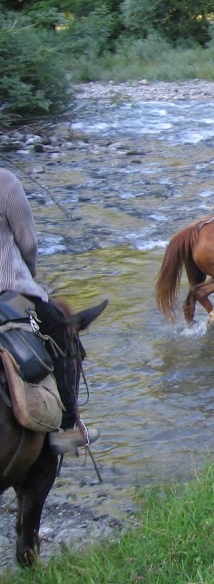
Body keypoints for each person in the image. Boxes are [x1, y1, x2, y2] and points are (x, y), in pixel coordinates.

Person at [0, 167, 97, 455]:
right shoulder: (5, 181)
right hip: (7, 288)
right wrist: (28, 279)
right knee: (60, 331)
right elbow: (27, 242)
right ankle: (65, 431)